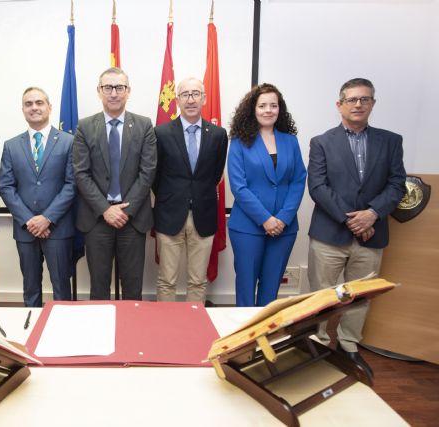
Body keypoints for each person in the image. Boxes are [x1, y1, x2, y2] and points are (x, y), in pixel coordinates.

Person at [308, 78, 406, 378]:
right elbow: (318, 187)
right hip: (330, 234)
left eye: (364, 99)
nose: (358, 104)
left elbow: (396, 184)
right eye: (351, 99)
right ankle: (319, 344)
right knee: (322, 295)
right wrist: (352, 219)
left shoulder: (391, 141)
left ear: (373, 104)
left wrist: (372, 214)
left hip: (372, 234)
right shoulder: (322, 142)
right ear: (340, 105)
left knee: (360, 296)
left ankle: (349, 346)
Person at [72, 67, 157, 300]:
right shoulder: (85, 126)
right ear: (99, 91)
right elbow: (81, 173)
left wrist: (124, 211)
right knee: (99, 288)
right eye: (107, 87)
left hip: (133, 218)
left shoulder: (144, 125)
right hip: (97, 219)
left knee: (132, 287)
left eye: (119, 87)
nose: (113, 93)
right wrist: (106, 210)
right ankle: (100, 335)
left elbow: (147, 172)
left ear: (128, 91)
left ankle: (131, 334)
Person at [227, 83, 306, 307]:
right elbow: (238, 187)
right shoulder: (239, 142)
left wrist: (283, 218)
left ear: (280, 109)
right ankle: (245, 339)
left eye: (273, 105)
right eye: (262, 105)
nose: (268, 110)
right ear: (253, 109)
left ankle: (266, 338)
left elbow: (299, 179)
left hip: (284, 227)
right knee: (245, 284)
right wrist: (266, 219)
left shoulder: (290, 141)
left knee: (271, 288)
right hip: (247, 228)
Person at [152, 77, 228, 303]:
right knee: (167, 280)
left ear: (204, 98)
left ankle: (194, 328)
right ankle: (166, 331)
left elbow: (215, 175)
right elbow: (155, 177)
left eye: (196, 94)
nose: (191, 99)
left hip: (203, 215)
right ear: (177, 100)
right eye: (185, 94)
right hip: (169, 215)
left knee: (197, 280)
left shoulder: (218, 134)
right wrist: (172, 197)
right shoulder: (161, 133)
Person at [0, 87, 76, 307]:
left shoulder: (68, 141)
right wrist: (30, 220)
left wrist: (47, 218)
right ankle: (31, 332)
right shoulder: (11, 145)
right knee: (30, 287)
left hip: (58, 228)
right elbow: (6, 185)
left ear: (49, 107)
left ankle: (61, 332)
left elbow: (72, 184)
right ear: (23, 109)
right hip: (25, 229)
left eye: (39, 103)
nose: (34, 107)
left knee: (61, 287)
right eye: (29, 104)